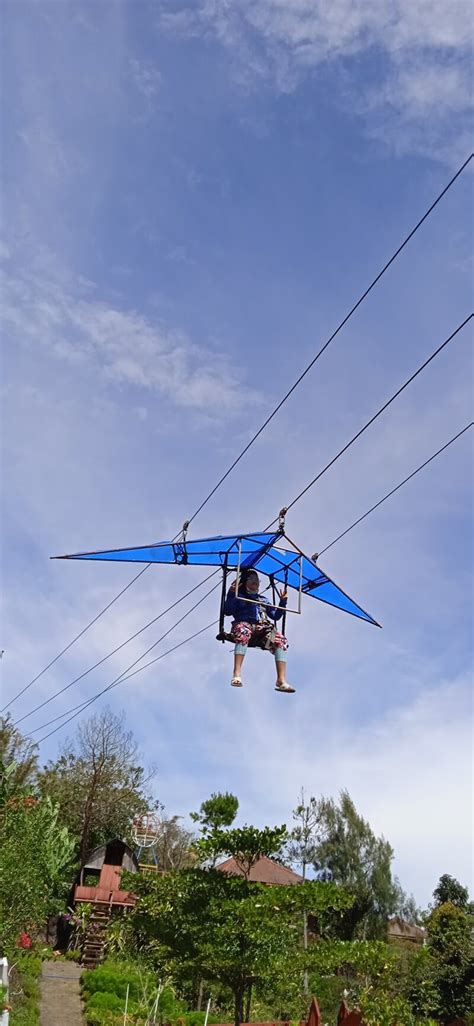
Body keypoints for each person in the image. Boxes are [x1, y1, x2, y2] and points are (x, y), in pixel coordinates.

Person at [224, 568, 295, 693]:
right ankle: (237, 674)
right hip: (244, 626)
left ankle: (281, 680)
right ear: (244, 582)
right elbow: (228, 611)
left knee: (281, 640)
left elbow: (275, 616)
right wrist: (231, 593)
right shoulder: (239, 596)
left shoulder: (263, 599)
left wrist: (282, 602)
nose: (255, 582)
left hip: (262, 631)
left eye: (257, 580)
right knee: (243, 632)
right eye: (251, 579)